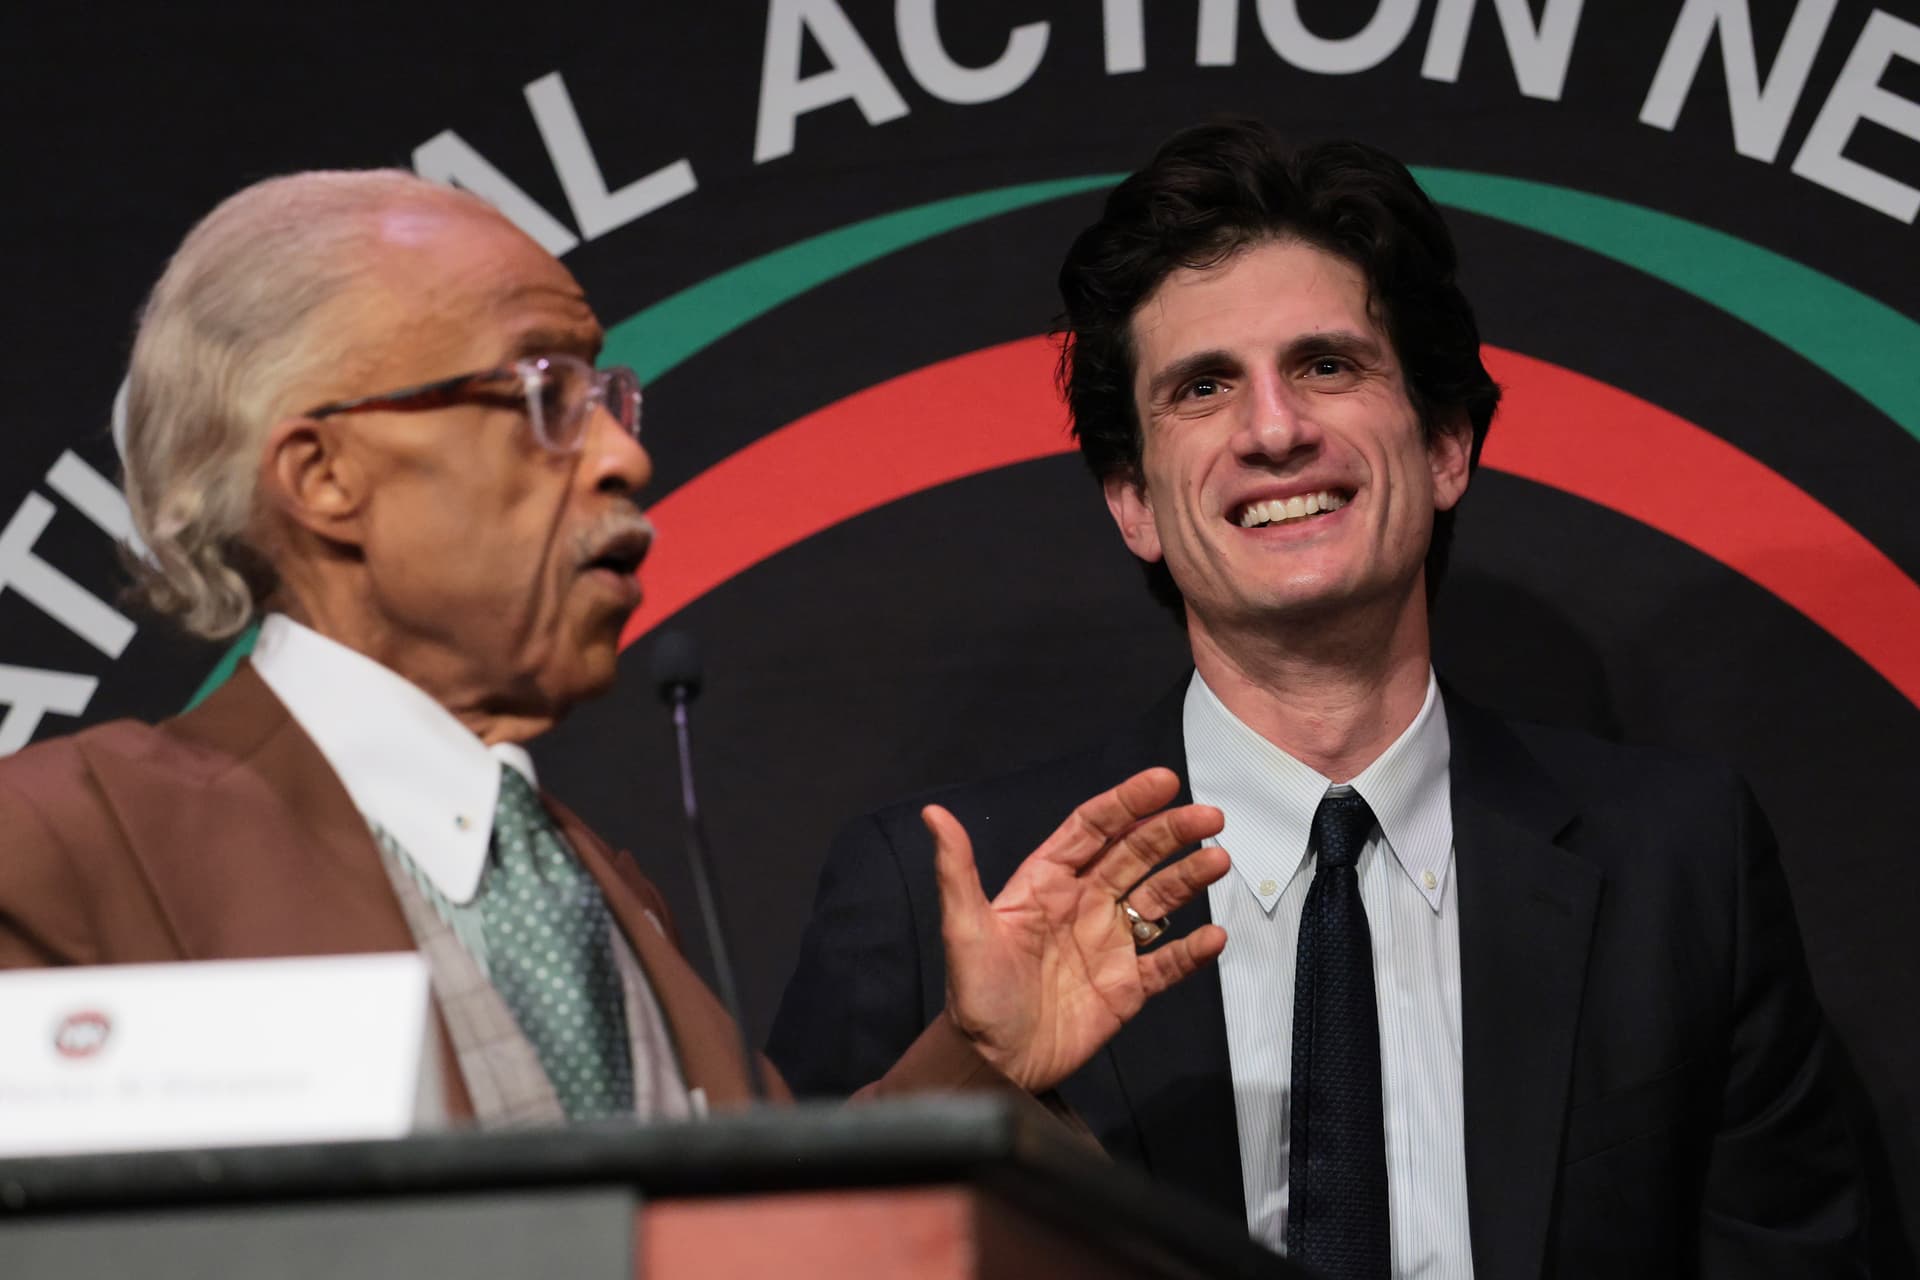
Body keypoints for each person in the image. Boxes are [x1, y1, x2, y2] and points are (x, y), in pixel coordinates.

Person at [769, 120, 1865, 1276]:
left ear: (1447, 444)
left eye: (1327, 366)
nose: (1276, 429)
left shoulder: (1679, 863)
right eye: (1204, 387)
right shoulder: (935, 895)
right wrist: (973, 1062)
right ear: (1132, 499)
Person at [0, 170, 1234, 1126]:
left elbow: (740, 1241)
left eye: (607, 394)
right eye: (542, 394)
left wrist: (978, 1059)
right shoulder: (63, 849)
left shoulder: (600, 886)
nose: (622, 455)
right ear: (323, 473)